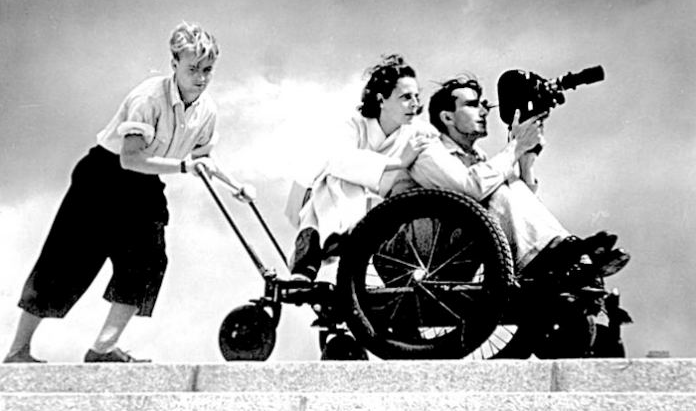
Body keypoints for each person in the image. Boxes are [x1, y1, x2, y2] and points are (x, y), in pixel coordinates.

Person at [4, 21, 248, 363]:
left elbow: (202, 158)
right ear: (174, 63)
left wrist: (235, 186)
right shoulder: (149, 97)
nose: (201, 77)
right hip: (102, 179)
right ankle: (17, 351)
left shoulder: (207, 111)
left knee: (149, 262)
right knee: (66, 262)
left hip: (144, 185)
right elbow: (131, 158)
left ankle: (101, 350)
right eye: (193, 68)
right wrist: (182, 168)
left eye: (208, 70)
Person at [410, 73, 629, 279]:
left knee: (505, 182)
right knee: (497, 187)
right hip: (424, 258)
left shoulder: (477, 158)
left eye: (484, 106)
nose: (484, 112)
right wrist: (516, 147)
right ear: (447, 117)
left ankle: (566, 251)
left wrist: (526, 160)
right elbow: (472, 188)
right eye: (472, 105)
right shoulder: (428, 151)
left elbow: (514, 210)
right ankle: (557, 255)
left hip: (466, 242)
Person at [287, 54, 439, 282]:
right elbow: (339, 160)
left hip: (389, 207)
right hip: (328, 202)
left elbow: (441, 155)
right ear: (381, 100)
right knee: (338, 178)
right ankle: (320, 246)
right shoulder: (354, 124)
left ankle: (320, 251)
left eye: (416, 96)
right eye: (406, 97)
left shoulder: (419, 131)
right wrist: (399, 162)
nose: (415, 104)